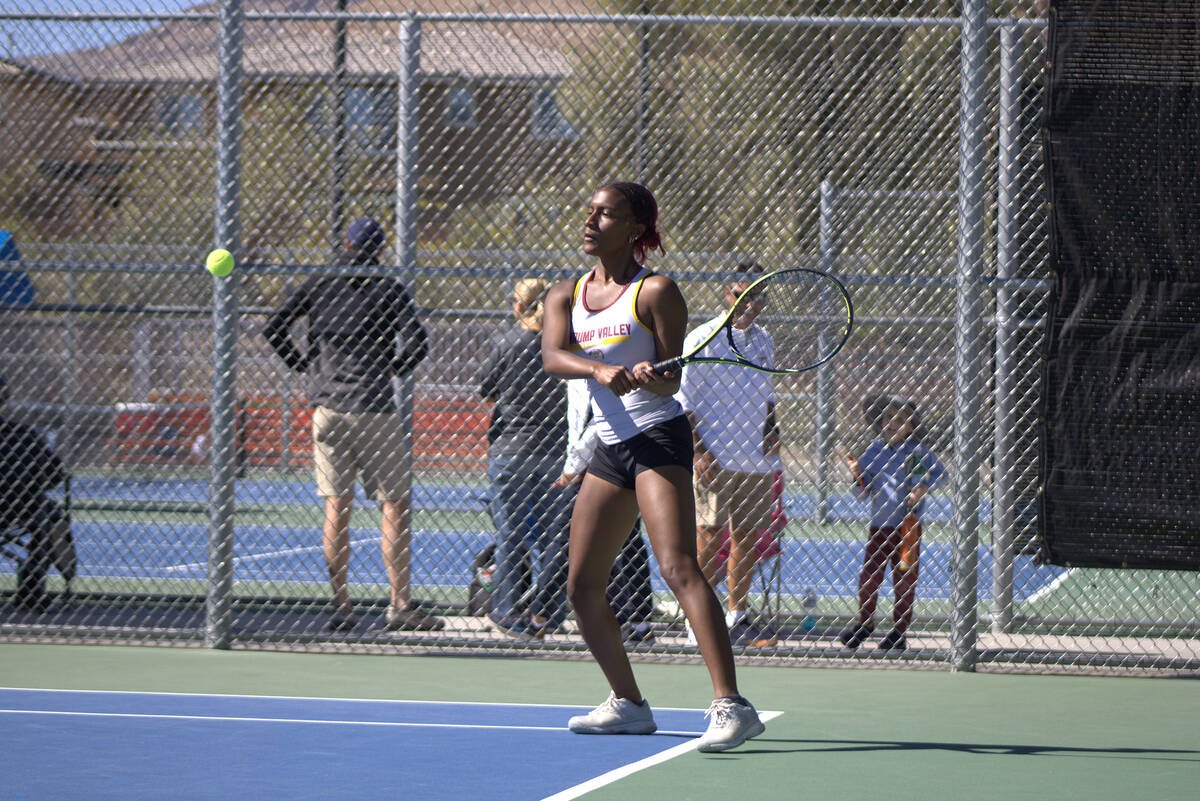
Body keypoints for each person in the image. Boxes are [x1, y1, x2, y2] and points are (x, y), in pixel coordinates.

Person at [541, 181, 764, 752]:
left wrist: (647, 374)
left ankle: (732, 706)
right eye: (589, 210)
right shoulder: (566, 294)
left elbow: (671, 375)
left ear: (635, 228)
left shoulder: (656, 291)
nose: (591, 221)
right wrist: (598, 370)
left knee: (677, 565)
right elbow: (553, 356)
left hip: (657, 438)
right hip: (609, 446)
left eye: (605, 213)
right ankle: (629, 704)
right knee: (582, 584)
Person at [263, 216, 440, 632]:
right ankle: (399, 604)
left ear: (345, 242)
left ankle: (342, 605)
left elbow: (274, 326)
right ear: (379, 248)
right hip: (374, 408)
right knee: (394, 505)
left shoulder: (321, 281)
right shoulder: (388, 288)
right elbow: (418, 341)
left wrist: (303, 364)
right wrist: (394, 368)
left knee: (336, 507)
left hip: (329, 409)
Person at [676, 261, 783, 648]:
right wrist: (700, 453)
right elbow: (683, 402)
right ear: (728, 293)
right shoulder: (702, 338)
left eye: (756, 296)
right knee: (708, 535)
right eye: (742, 295)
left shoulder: (765, 340)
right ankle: (696, 616)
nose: (749, 304)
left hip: (755, 457)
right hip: (715, 458)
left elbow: (768, 393)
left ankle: (736, 616)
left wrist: (772, 431)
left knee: (747, 537)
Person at [525, 376, 656, 644]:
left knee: (567, 538)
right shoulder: (576, 373)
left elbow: (603, 417)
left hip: (606, 462)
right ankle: (641, 622)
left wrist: (574, 464)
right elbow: (579, 420)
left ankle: (539, 616)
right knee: (626, 539)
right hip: (602, 461)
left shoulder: (602, 362)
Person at [479, 277, 568, 638]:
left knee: (511, 533)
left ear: (519, 306)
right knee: (553, 535)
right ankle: (549, 612)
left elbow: (486, 388)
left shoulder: (506, 343)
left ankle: (506, 610)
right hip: (553, 449)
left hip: (512, 449)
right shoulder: (564, 343)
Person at [840, 395, 945, 652]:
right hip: (879, 525)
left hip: (908, 527)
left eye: (900, 420)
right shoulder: (874, 451)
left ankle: (899, 630)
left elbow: (942, 475)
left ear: (911, 425)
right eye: (888, 418)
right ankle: (866, 623)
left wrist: (923, 487)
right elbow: (862, 493)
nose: (892, 424)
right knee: (869, 578)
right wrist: (857, 476)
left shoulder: (918, 451)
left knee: (904, 578)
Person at [0, 375, 76, 612]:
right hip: (18, 510)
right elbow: (55, 475)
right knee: (47, 515)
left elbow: (53, 473)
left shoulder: (22, 435)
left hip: (16, 508)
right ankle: (31, 591)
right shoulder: (22, 435)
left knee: (45, 513)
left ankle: (31, 591)